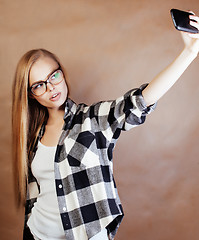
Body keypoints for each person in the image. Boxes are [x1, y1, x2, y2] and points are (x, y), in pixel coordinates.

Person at [12, 12, 199, 240]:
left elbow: (141, 101)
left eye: (54, 76)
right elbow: (36, 194)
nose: (51, 87)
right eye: (39, 85)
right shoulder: (33, 136)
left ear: (62, 72)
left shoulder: (93, 120)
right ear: (31, 95)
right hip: (37, 234)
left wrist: (189, 52)